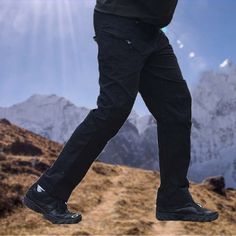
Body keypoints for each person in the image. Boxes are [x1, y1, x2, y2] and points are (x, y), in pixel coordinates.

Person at [23, 0, 219, 224]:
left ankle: (174, 199)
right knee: (114, 108)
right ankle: (47, 191)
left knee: (176, 107)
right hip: (120, 20)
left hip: (152, 30)